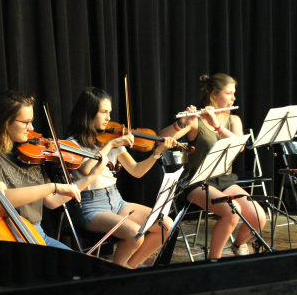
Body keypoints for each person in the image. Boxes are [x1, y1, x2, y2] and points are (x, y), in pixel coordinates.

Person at [0, 90, 108, 250]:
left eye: (31, 121)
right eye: (25, 122)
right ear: (5, 122)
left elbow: (52, 201)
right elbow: (2, 198)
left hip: (38, 233)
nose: (31, 127)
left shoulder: (30, 152)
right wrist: (53, 186)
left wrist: (91, 177)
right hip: (10, 235)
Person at [65, 87, 175, 268]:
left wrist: (157, 153)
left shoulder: (111, 138)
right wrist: (109, 146)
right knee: (134, 233)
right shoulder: (72, 143)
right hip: (92, 207)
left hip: (116, 201)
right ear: (88, 113)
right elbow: (86, 170)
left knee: (165, 226)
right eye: (103, 112)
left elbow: (136, 171)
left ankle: (128, 268)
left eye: (109, 112)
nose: (109, 118)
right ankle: (116, 274)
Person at [159, 73, 266, 258]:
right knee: (233, 212)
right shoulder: (196, 121)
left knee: (258, 216)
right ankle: (213, 261)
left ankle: (238, 245)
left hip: (224, 179)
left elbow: (240, 146)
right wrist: (181, 123)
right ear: (215, 95)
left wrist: (217, 126)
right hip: (197, 181)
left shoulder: (234, 120)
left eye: (234, 93)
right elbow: (161, 138)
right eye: (229, 93)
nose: (234, 98)